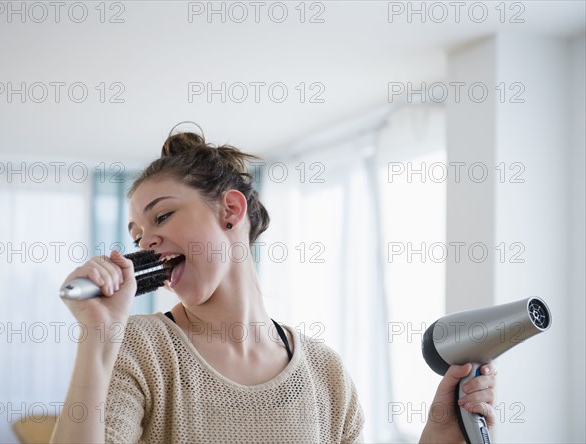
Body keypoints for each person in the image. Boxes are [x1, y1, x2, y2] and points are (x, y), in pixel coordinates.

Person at [51, 129, 497, 443]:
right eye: (136, 236)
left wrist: (437, 435)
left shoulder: (325, 373)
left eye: (162, 216)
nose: (145, 241)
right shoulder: (138, 348)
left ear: (230, 210)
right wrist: (97, 337)